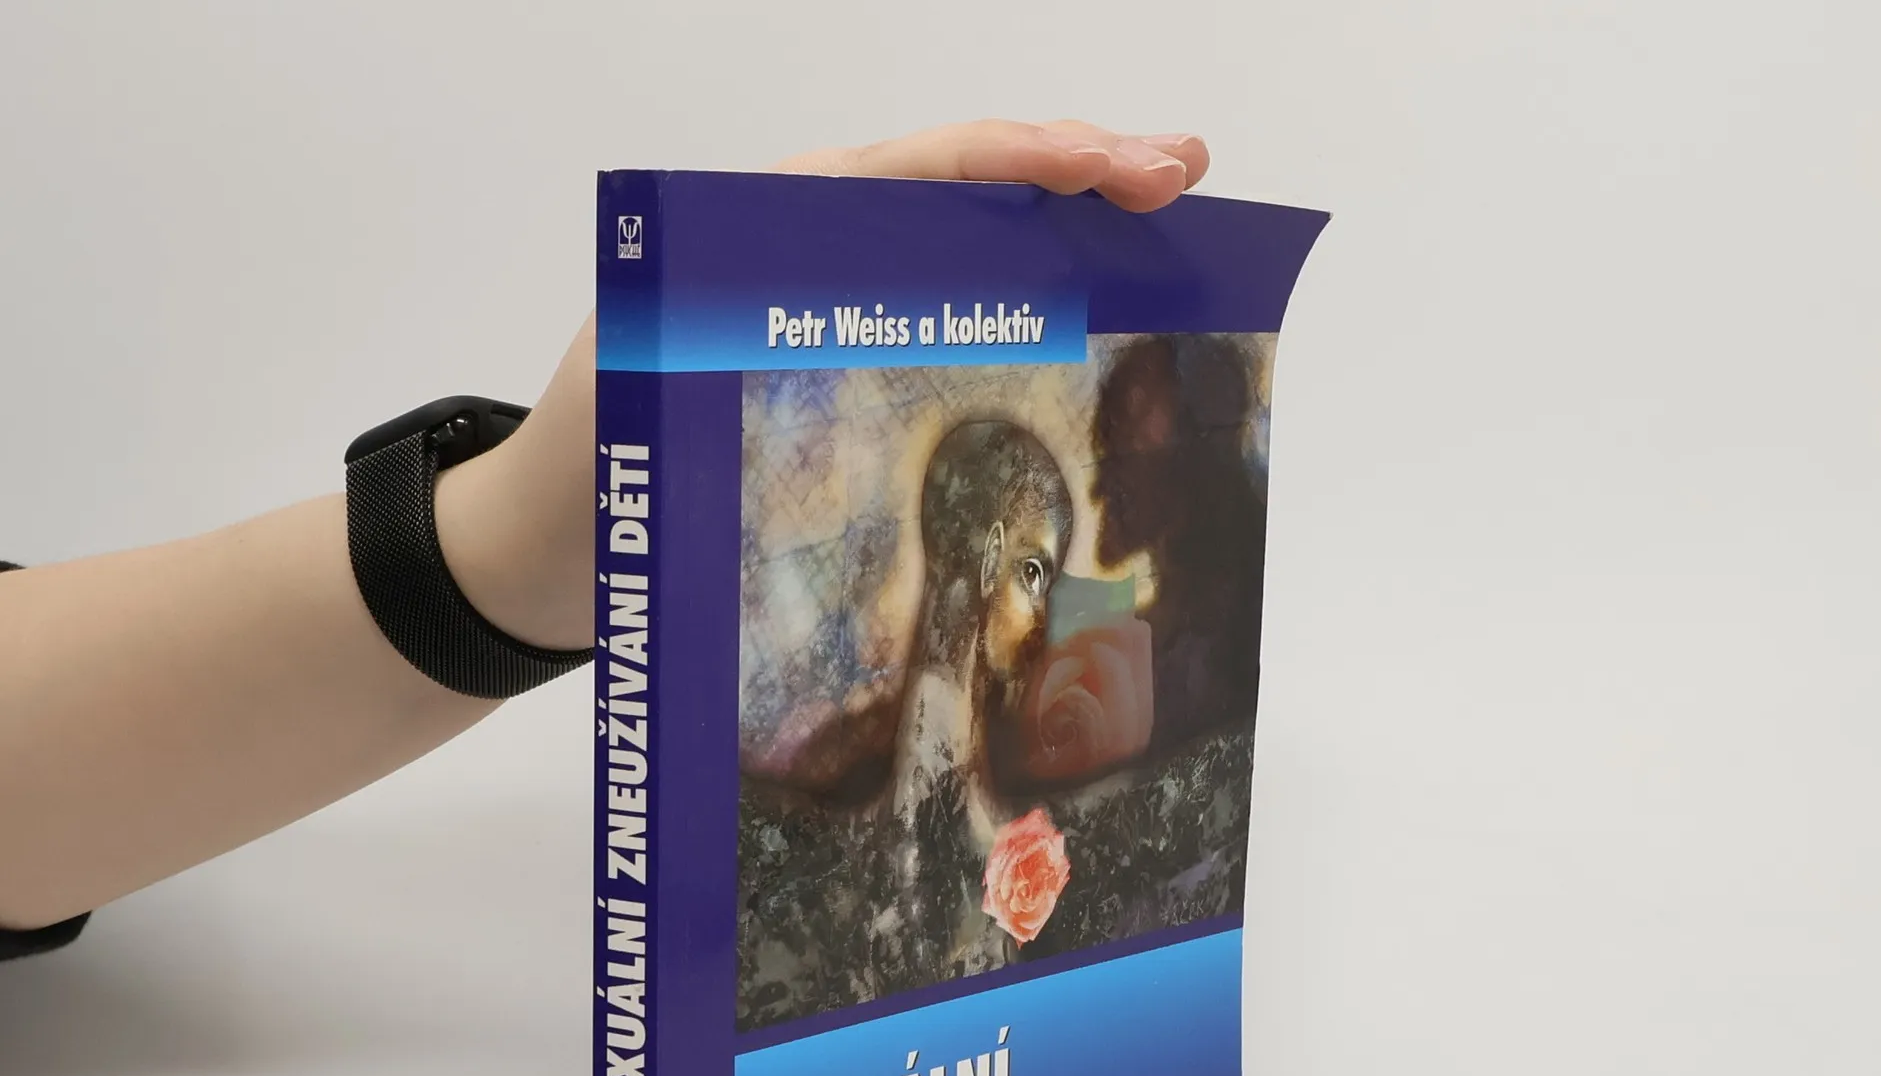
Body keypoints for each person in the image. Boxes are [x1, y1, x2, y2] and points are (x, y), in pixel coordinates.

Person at [0, 119, 1208, 961]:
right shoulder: (805, 813)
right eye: (1034, 569)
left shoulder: (1043, 826)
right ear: (966, 556)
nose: (1057, 612)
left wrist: (526, 542)